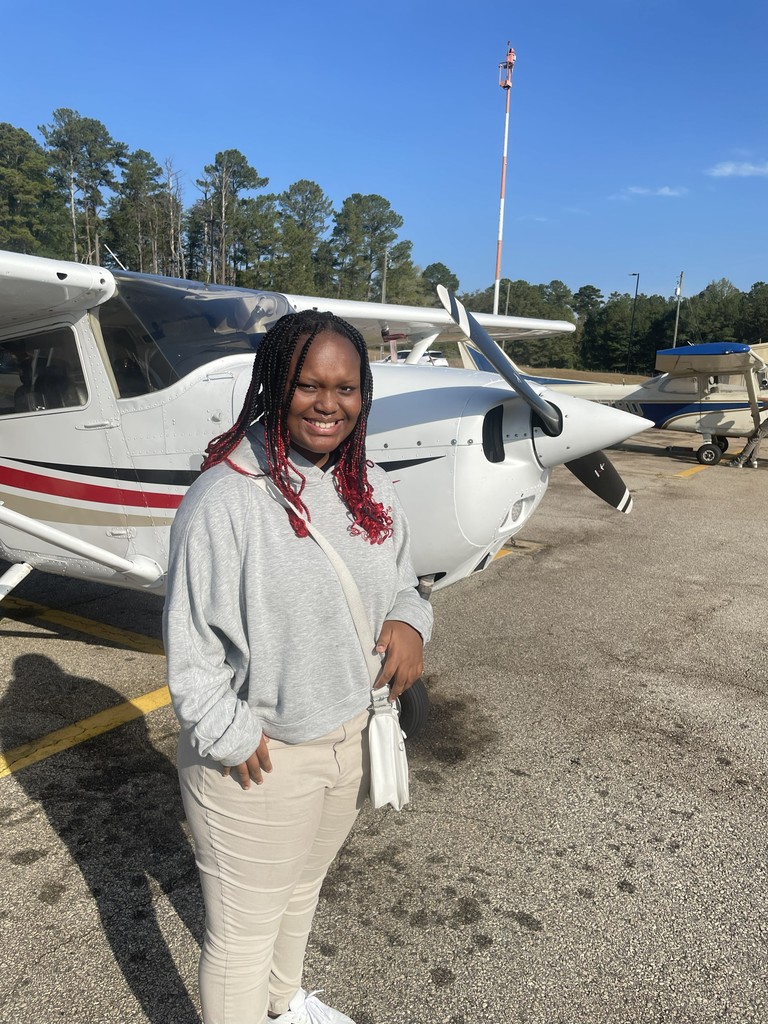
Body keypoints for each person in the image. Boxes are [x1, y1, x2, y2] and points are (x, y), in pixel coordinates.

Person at [163, 310, 433, 1024]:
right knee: (242, 940)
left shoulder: (366, 483)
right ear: (273, 387)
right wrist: (230, 735)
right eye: (308, 384)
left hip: (347, 740)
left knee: (301, 894)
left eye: (345, 388)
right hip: (262, 761)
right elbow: (192, 653)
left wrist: (411, 620)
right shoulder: (225, 500)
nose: (327, 403)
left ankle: (285, 1007)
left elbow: (407, 579)